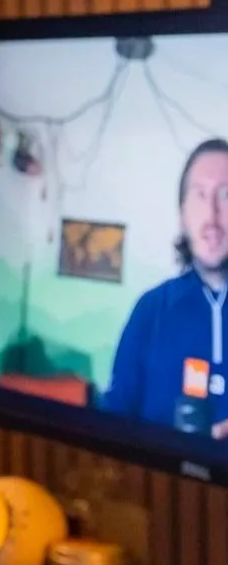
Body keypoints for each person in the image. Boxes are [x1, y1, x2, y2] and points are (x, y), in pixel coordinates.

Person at [103, 137, 228, 442]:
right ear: (183, 215)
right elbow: (111, 427)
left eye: (226, 195)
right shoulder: (149, 311)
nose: (212, 216)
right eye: (200, 196)